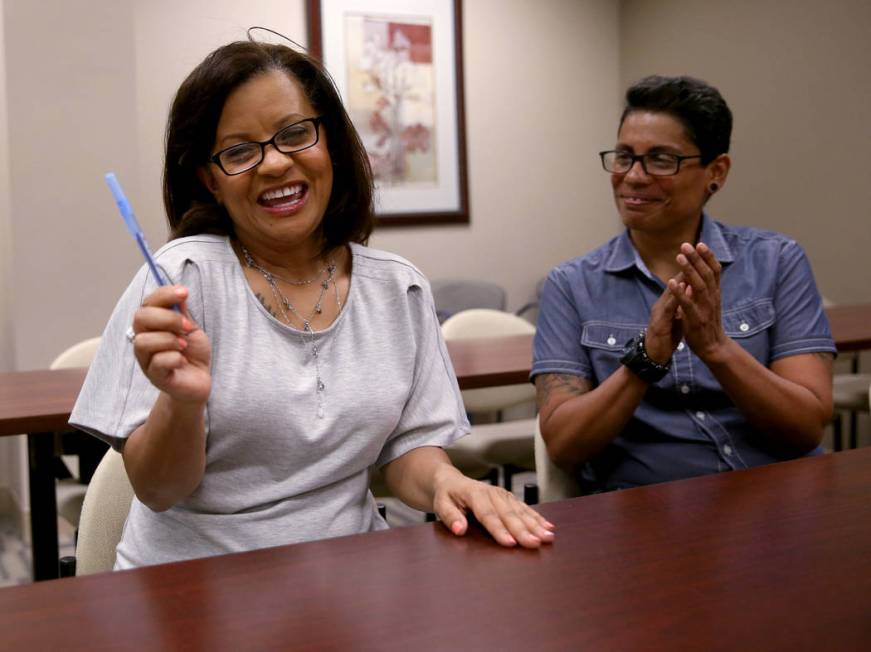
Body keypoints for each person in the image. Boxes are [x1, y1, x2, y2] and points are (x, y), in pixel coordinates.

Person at [71, 38, 553, 569]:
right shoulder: (183, 280)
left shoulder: (397, 288)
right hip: (196, 592)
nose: (275, 163)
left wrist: (448, 482)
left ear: (331, 144)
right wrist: (182, 403)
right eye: (239, 151)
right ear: (210, 180)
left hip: (350, 585)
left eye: (296, 134)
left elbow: (407, 450)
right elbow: (159, 489)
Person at [532, 75, 835, 492]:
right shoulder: (571, 285)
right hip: (649, 512)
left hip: (776, 494)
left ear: (717, 171)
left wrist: (717, 349)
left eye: (661, 159)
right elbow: (564, 446)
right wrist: (646, 360)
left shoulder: (777, 261)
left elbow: (806, 427)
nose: (633, 177)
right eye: (624, 156)